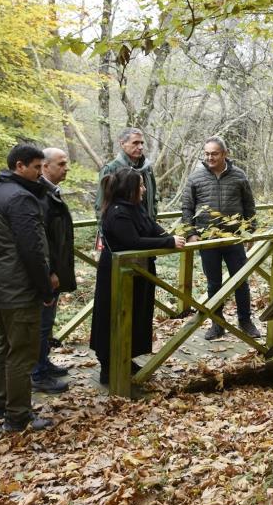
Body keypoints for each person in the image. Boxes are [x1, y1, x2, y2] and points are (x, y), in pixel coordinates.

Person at [0, 143, 57, 432]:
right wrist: (45, 288)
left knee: (4, 346)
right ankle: (17, 415)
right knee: (22, 353)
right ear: (19, 166)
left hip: (0, 283)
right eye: (37, 168)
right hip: (20, 287)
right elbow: (33, 249)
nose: (41, 174)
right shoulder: (20, 199)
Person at [91, 168, 185, 384]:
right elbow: (132, 241)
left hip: (138, 271)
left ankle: (126, 358)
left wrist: (169, 236)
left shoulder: (135, 207)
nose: (144, 189)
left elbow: (151, 227)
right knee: (112, 317)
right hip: (116, 274)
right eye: (141, 185)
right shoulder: (117, 212)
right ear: (130, 189)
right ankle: (108, 366)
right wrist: (168, 242)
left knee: (136, 315)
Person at [181, 136, 261, 341]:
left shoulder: (239, 176)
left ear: (225, 154)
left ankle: (245, 321)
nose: (210, 157)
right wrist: (191, 233)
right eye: (207, 153)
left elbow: (249, 205)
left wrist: (249, 230)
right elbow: (187, 208)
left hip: (234, 238)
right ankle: (217, 323)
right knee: (213, 283)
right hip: (207, 239)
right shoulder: (195, 177)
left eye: (214, 153)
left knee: (240, 281)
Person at [31, 147, 75, 392]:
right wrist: (49, 272)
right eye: (61, 163)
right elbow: (41, 240)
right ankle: (37, 373)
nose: (66, 167)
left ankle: (43, 362)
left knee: (46, 322)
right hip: (48, 273)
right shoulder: (40, 195)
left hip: (55, 269)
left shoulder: (51, 192)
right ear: (45, 167)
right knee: (41, 322)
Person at [95, 127, 158, 220]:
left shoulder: (147, 168)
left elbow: (153, 198)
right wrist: (106, 232)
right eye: (135, 143)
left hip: (147, 227)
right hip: (122, 229)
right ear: (122, 144)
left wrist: (153, 218)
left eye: (141, 143)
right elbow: (101, 205)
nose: (140, 147)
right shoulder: (111, 169)